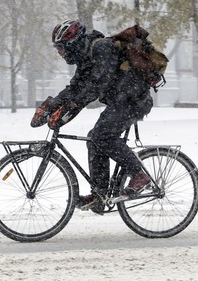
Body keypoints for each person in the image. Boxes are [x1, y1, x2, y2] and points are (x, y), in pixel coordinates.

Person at [31, 19, 153, 212]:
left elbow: (98, 84)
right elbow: (75, 88)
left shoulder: (102, 48)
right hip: (120, 101)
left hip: (133, 100)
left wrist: (71, 106)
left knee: (102, 136)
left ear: (72, 43)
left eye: (61, 48)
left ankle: (139, 175)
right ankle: (100, 194)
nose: (60, 53)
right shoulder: (86, 56)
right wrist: (50, 106)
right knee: (94, 139)